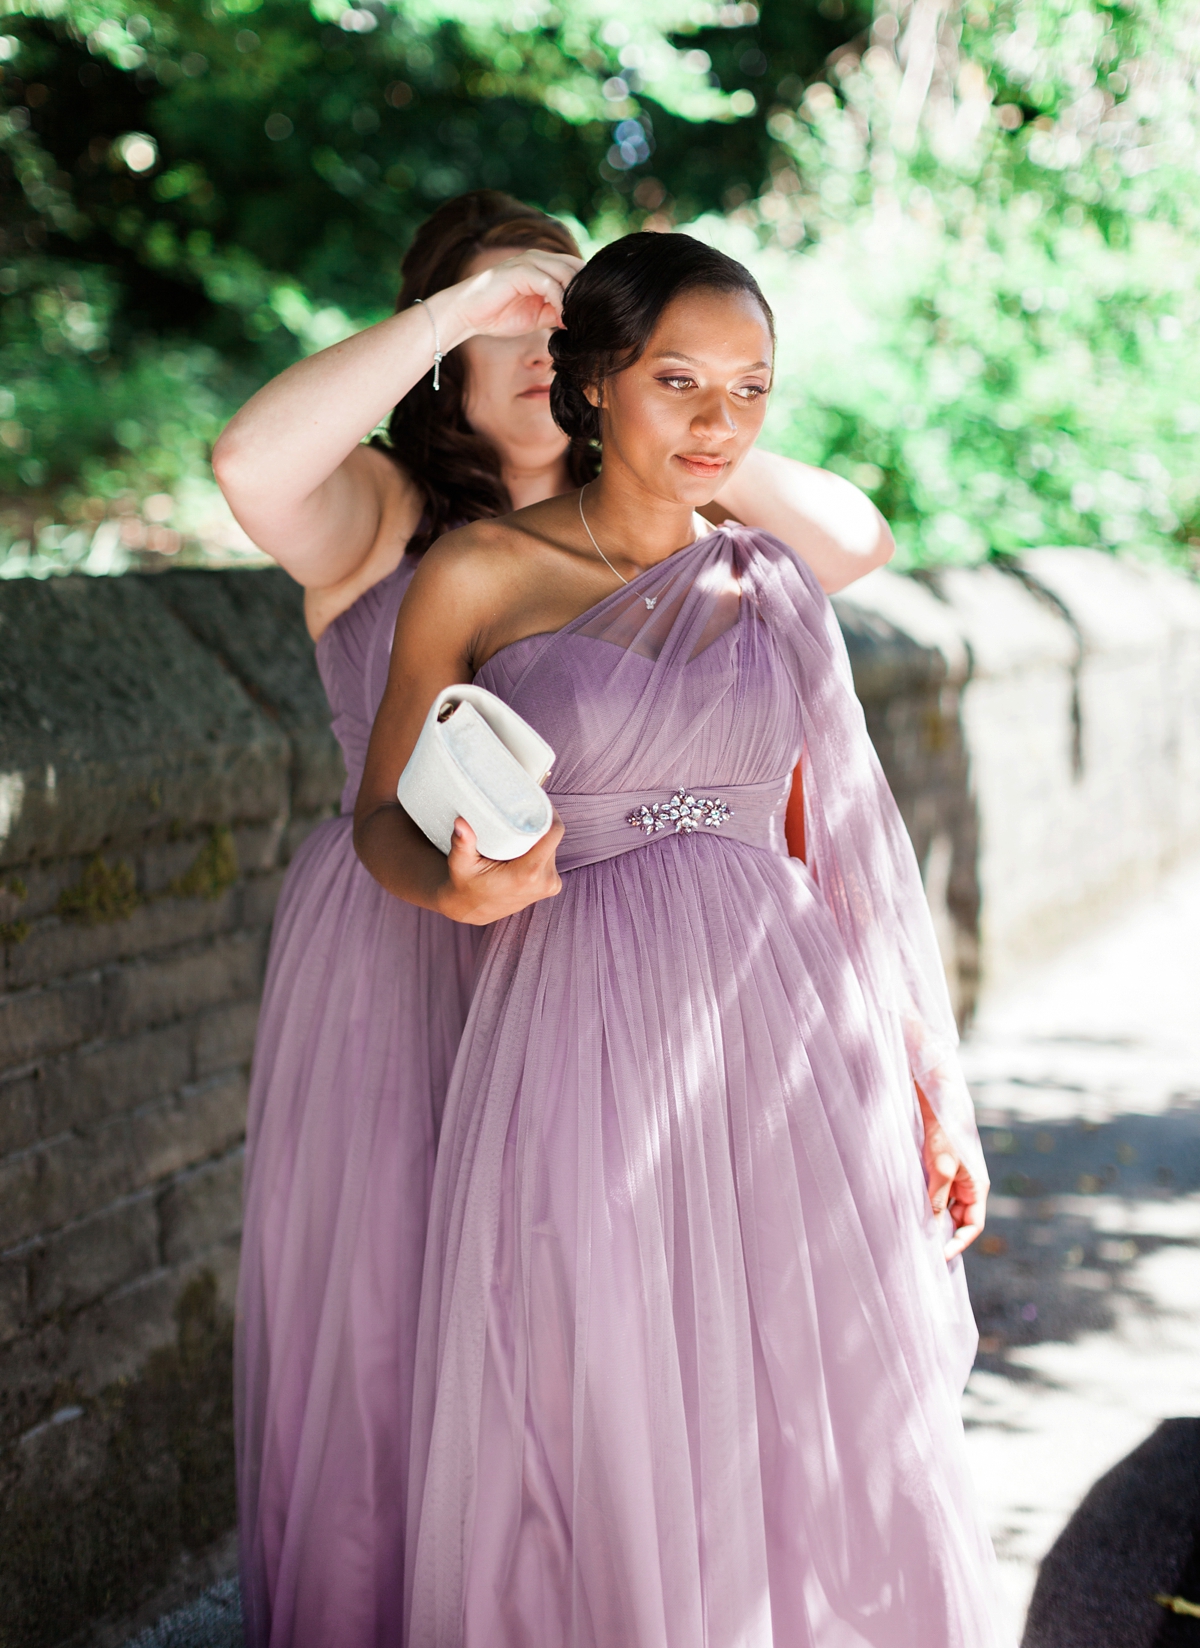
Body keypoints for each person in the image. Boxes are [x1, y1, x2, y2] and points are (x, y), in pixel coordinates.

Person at [213, 190, 897, 1648]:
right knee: (403, 1328)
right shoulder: (392, 518)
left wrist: (674, 394)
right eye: (507, 317)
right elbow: (248, 460)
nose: (538, 333)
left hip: (608, 977)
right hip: (403, 959)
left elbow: (845, 540)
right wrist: (470, 304)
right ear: (441, 356)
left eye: (563, 312)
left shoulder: (683, 536)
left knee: (607, 1339)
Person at [355, 230, 998, 1647]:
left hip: (783, 1024)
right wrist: (457, 890)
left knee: (804, 1377)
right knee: (603, 1373)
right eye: (681, 382)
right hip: (578, 1015)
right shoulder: (478, 571)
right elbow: (380, 824)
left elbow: (849, 861)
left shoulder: (771, 589)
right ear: (592, 386)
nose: (721, 421)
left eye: (753, 388)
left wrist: (927, 1089)